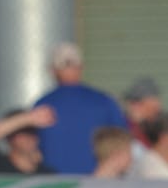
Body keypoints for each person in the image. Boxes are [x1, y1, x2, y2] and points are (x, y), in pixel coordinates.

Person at [31, 43, 128, 175]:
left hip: (54, 187)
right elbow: (123, 144)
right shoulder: (104, 101)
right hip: (98, 185)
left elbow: (31, 149)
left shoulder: (42, 104)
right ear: (81, 67)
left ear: (52, 70)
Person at [0, 106, 56, 175]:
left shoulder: (47, 174)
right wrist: (28, 118)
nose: (29, 137)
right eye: (22, 132)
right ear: (9, 137)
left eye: (32, 131)